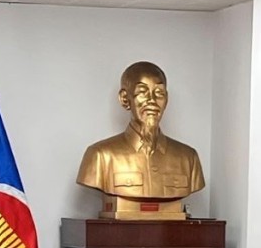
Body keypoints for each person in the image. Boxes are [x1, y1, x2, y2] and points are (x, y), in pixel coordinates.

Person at [76, 61, 205, 200]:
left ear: (166, 99)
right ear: (125, 99)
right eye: (143, 92)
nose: (152, 100)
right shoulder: (100, 155)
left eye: (159, 93)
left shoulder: (188, 158)